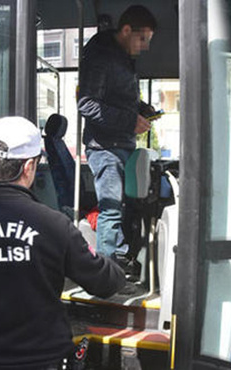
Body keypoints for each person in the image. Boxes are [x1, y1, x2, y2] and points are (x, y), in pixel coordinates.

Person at [0, 117, 126, 369]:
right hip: (47, 361)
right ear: (29, 167)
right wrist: (113, 263)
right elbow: (105, 282)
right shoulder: (55, 226)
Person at [78, 5, 156, 261]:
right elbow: (87, 104)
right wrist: (129, 121)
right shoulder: (100, 55)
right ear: (125, 30)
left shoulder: (122, 58)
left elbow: (120, 100)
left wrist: (143, 110)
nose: (145, 47)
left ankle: (118, 264)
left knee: (121, 208)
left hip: (120, 142)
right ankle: (107, 277)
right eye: (142, 38)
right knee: (111, 210)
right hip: (105, 146)